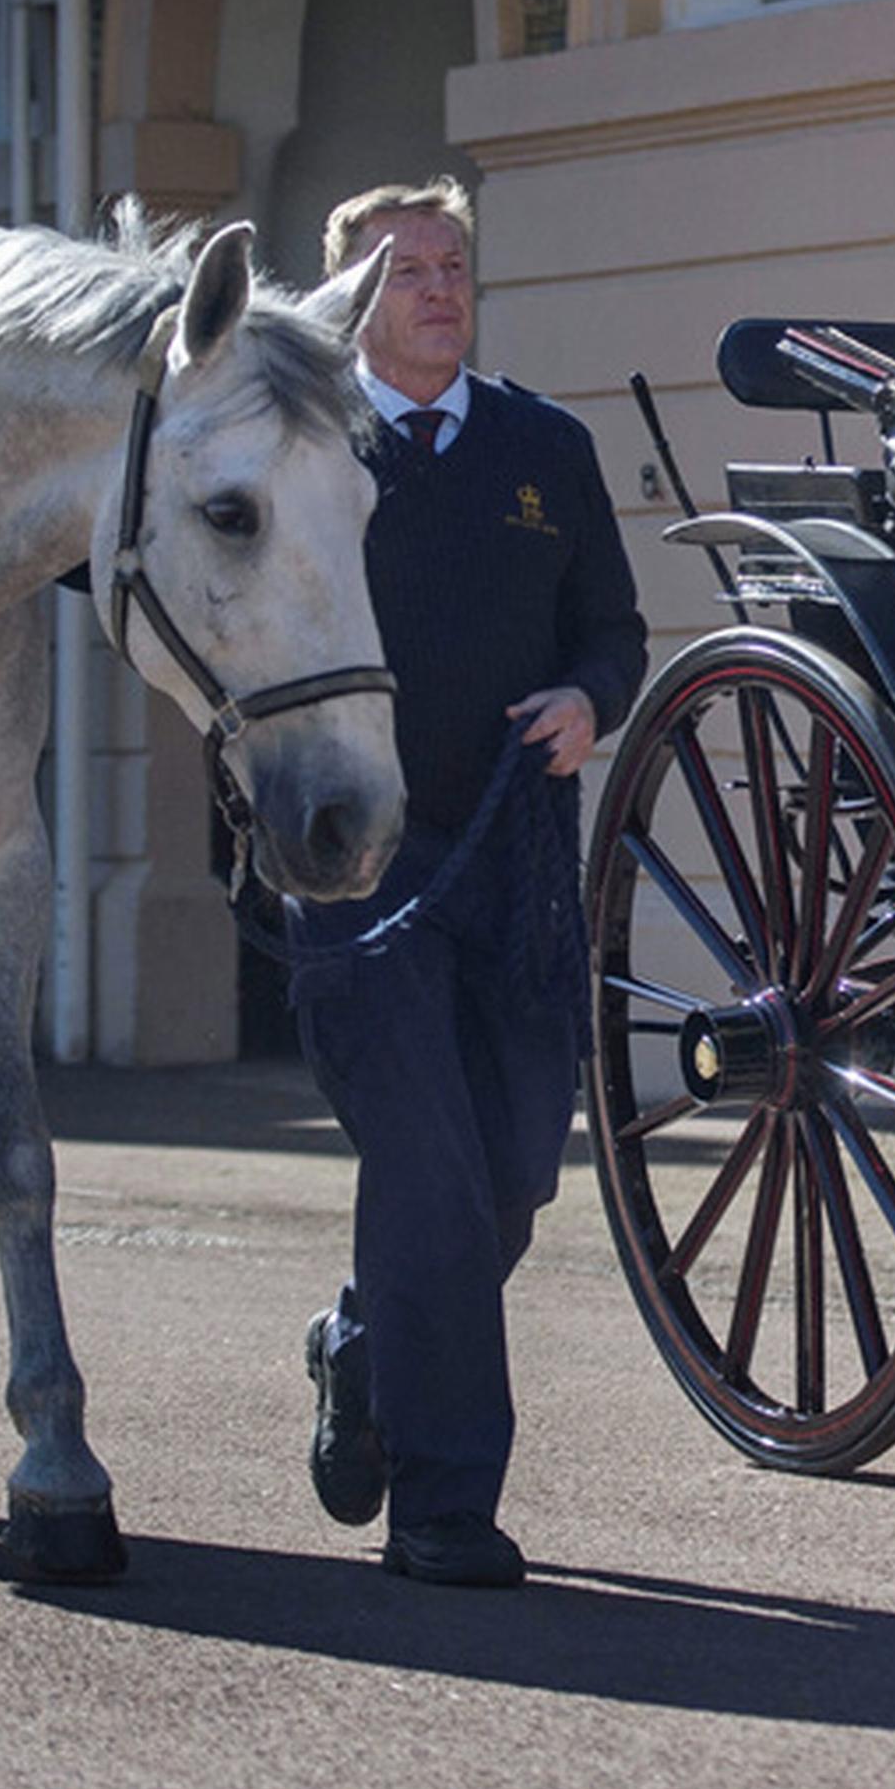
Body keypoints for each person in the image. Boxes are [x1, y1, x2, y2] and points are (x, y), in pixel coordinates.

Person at [284, 177, 645, 1588]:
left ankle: (366, 1340)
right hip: (360, 864)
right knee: (430, 1168)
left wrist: (591, 698)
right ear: (349, 301)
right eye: (403, 267)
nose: (437, 285)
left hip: (515, 868)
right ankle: (442, 1505)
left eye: (452, 263)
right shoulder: (305, 448)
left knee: (507, 1173)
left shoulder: (544, 445)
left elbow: (608, 626)